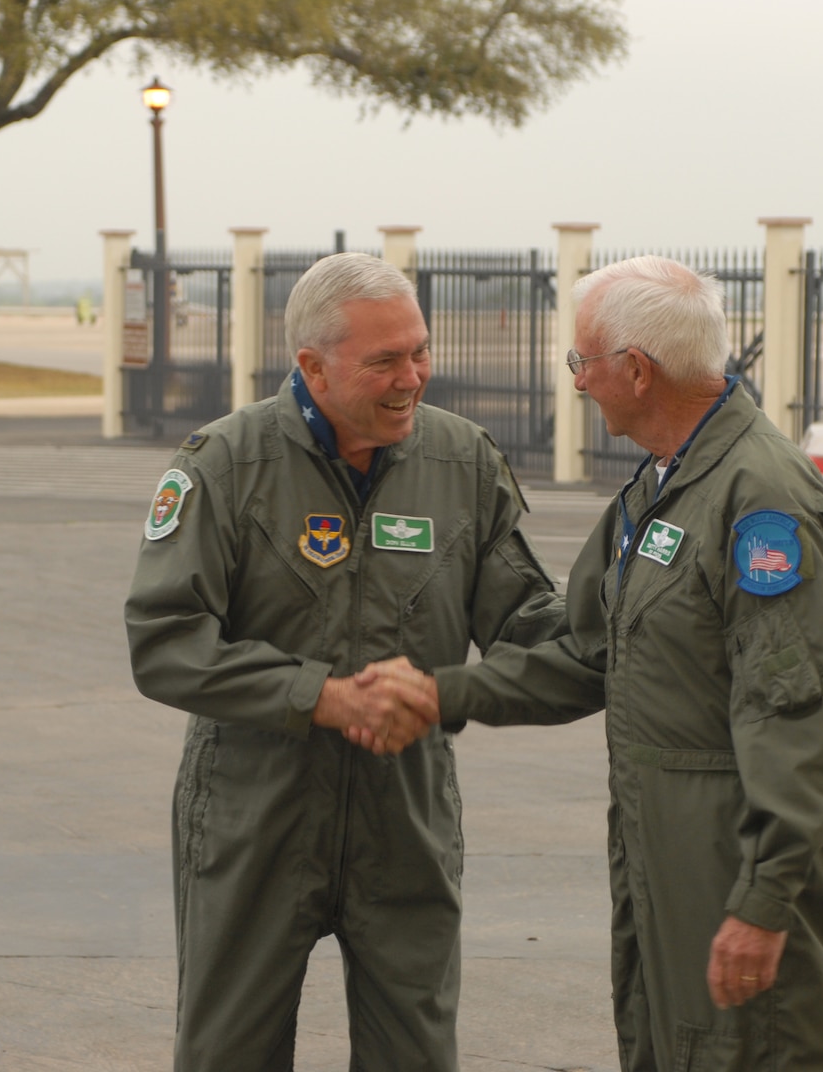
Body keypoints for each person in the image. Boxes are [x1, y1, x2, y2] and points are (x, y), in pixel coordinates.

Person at [125, 252, 561, 1071]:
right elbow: (165, 640)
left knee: (416, 1053)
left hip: (405, 817)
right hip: (253, 817)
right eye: (384, 361)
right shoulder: (225, 464)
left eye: (419, 352)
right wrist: (317, 697)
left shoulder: (461, 462)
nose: (412, 378)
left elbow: (527, 620)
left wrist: (624, 616)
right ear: (311, 366)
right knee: (228, 1053)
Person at [430, 256, 823, 1070]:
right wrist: (439, 692)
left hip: (734, 863)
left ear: (634, 370)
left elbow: (796, 718)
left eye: (581, 361)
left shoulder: (759, 502)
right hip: (664, 852)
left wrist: (764, 903)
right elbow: (590, 656)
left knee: (754, 1050)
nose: (577, 382)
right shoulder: (658, 489)